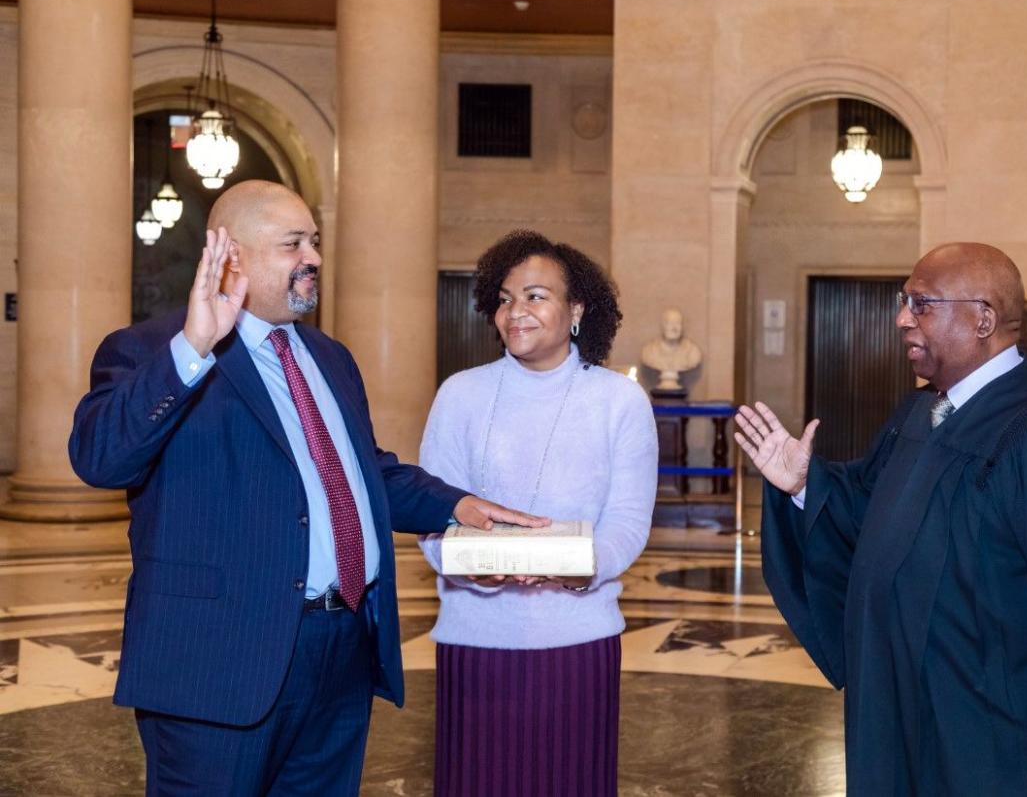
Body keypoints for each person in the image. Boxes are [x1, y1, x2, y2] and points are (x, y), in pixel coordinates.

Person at [68, 180, 542, 796]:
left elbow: (361, 472)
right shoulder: (151, 350)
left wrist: (458, 505)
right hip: (218, 665)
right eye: (293, 245)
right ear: (231, 255)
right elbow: (100, 458)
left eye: (314, 242)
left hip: (339, 653)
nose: (313, 258)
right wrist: (194, 347)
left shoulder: (330, 357)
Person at [735, 242, 1027, 796]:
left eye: (921, 304)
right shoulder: (922, 413)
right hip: (900, 710)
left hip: (989, 736)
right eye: (904, 301)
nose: (901, 319)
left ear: (983, 318)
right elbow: (867, 518)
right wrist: (802, 484)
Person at [418, 229, 657, 797]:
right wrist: (470, 564)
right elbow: (431, 513)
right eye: (504, 298)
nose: (515, 312)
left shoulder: (619, 401)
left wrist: (582, 568)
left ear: (576, 309)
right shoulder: (459, 394)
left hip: (577, 645)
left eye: (535, 296)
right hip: (476, 643)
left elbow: (626, 521)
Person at [640, 307, 702, 393]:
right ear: (662, 326)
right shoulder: (649, 351)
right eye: (669, 323)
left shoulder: (692, 352)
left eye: (678, 323)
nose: (674, 328)